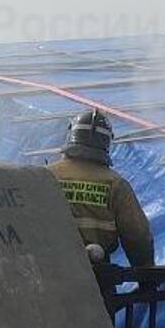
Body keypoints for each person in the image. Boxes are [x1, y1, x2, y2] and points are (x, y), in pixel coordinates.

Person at [48, 109, 154, 267]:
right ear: (107, 142)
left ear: (71, 135)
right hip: (96, 272)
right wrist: (146, 275)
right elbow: (138, 236)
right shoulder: (115, 184)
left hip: (46, 267)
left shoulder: (45, 175)